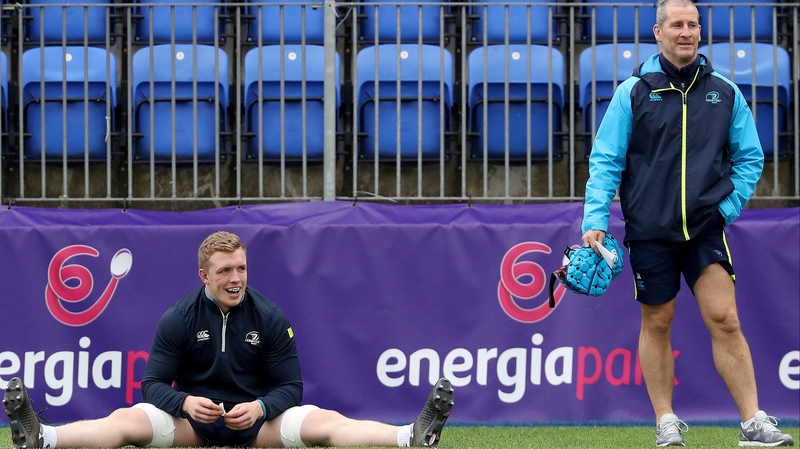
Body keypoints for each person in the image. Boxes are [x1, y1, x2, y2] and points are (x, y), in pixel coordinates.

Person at [4, 231, 454, 449]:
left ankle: (409, 437)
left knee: (324, 422)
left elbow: (291, 388)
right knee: (127, 420)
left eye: (241, 268)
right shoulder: (178, 317)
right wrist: (183, 404)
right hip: (190, 430)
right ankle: (41, 437)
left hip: (259, 429)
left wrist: (259, 408)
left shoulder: (271, 316)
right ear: (205, 276)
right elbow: (152, 385)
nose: (236, 278)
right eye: (225, 271)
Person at [580, 0, 794, 446]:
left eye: (693, 24)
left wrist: (727, 208)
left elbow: (750, 158)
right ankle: (665, 421)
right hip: (649, 230)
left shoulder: (725, 91)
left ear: (700, 32)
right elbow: (605, 160)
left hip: (705, 227)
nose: (686, 32)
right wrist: (595, 218)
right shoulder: (633, 91)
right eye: (676, 24)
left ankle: (753, 421)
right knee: (657, 322)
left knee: (726, 318)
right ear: (657, 32)